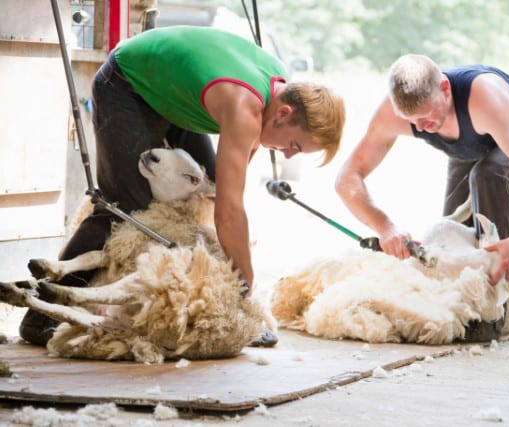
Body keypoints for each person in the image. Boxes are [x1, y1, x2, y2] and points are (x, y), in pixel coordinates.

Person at [20, 26, 345, 347]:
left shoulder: (277, 89)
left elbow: (232, 187)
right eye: (295, 146)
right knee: (124, 208)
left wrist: (232, 234)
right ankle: (40, 317)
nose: (288, 154)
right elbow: (230, 213)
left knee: (209, 188)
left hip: (172, 96)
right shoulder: (244, 106)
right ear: (283, 114)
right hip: (125, 83)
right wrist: (245, 280)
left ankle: (214, 309)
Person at [335, 54, 509, 341]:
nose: (424, 127)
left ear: (445, 89)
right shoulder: (392, 113)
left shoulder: (484, 98)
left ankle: (498, 306)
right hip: (467, 148)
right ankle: (466, 307)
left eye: (428, 116)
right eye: (413, 122)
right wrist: (385, 227)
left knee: (487, 178)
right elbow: (347, 179)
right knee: (450, 238)